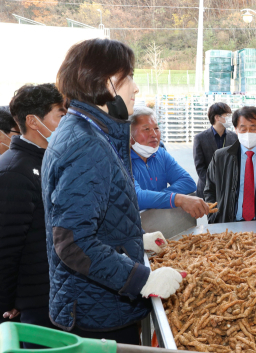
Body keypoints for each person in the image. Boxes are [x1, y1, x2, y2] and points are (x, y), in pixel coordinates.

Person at [41, 38, 183, 343]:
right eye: (128, 77)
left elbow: (88, 214)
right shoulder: (86, 144)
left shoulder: (87, 130)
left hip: (96, 303)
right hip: (98, 311)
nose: (135, 88)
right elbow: (73, 242)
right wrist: (142, 279)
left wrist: (133, 240)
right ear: (105, 83)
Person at [0, 84, 65, 340]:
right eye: (60, 115)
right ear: (33, 121)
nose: (66, 121)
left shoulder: (47, 159)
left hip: (52, 291)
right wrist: (8, 301)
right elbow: (6, 246)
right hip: (33, 303)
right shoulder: (14, 171)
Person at [203, 106, 256, 224]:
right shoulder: (220, 157)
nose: (248, 133)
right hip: (228, 224)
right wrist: (214, 217)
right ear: (236, 129)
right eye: (243, 129)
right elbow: (209, 189)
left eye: (253, 128)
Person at [130, 107, 207, 218]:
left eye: (156, 128)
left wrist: (158, 197)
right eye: (146, 129)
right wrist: (177, 199)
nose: (154, 134)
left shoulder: (161, 154)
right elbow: (136, 197)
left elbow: (188, 182)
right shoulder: (122, 160)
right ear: (130, 135)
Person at [193, 102, 238, 198]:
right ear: (217, 118)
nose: (230, 119)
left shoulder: (234, 137)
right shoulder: (200, 138)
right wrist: (213, 185)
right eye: (227, 115)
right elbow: (200, 167)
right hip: (206, 190)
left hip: (229, 191)